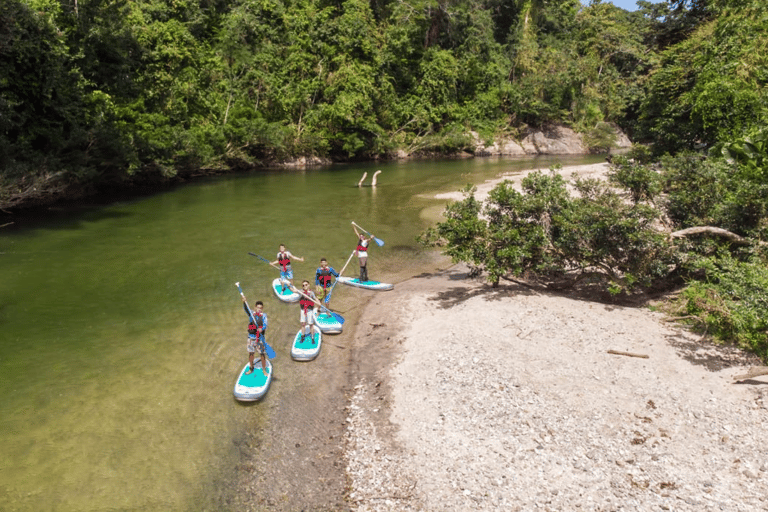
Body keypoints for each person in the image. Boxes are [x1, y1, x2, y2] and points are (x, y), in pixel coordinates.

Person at [241, 297, 269, 376]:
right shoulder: (251, 314)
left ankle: (264, 369)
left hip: (260, 338)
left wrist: (261, 328)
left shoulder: (264, 316)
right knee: (251, 353)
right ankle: (251, 368)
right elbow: (246, 309)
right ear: (255, 307)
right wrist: (244, 302)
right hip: (251, 337)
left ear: (262, 308)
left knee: (262, 354)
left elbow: (265, 324)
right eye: (258, 307)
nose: (259, 309)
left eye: (261, 308)